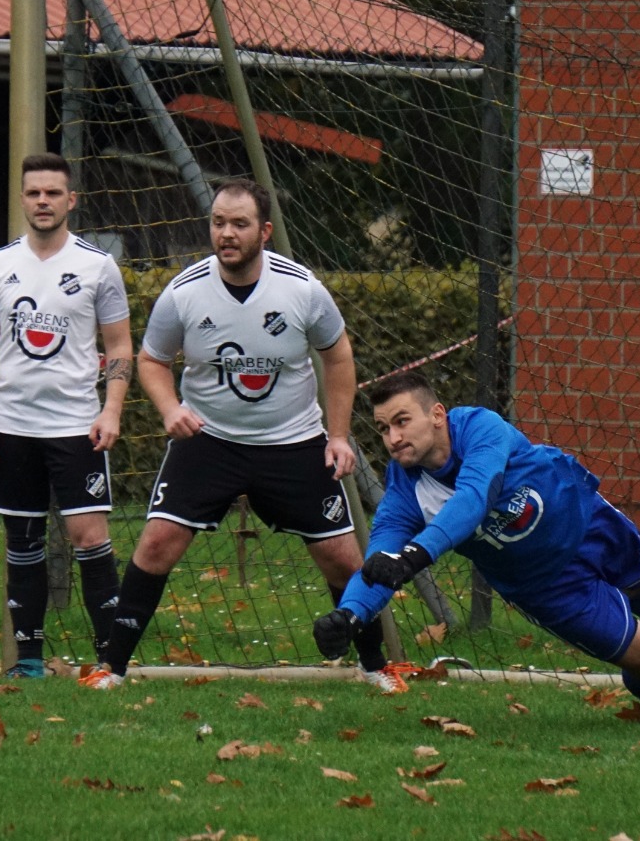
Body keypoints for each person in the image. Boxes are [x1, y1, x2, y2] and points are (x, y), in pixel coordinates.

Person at [80, 178, 401, 692]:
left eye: (239, 224)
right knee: (157, 543)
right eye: (218, 222)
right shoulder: (183, 293)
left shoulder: (302, 289)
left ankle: (375, 667)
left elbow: (338, 357)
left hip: (292, 442)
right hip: (209, 442)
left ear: (265, 231)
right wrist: (170, 409)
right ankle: (111, 668)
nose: (226, 233)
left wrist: (338, 436)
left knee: (343, 560)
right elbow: (152, 360)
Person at [314, 371, 640, 715]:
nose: (392, 438)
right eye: (383, 429)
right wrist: (349, 615)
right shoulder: (405, 491)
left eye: (402, 421)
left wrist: (414, 556)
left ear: (437, 414)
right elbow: (380, 561)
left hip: (584, 518)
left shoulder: (479, 426)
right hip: (544, 586)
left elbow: (474, 497)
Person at [0, 152, 134, 679]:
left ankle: (109, 663)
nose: (43, 201)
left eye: (53, 193)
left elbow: (120, 344)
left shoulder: (98, 266)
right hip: (12, 426)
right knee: (22, 543)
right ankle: (30, 663)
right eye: (34, 192)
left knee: (91, 538)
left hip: (77, 426)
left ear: (71, 201)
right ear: (22, 199)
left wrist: (111, 410)